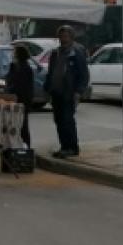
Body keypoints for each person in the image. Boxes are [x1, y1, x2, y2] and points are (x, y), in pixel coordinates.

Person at [43, 26, 88, 158]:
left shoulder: (76, 52)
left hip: (69, 93)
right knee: (58, 120)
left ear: (71, 37)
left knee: (67, 120)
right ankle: (64, 146)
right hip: (56, 92)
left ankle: (72, 147)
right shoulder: (55, 53)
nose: (63, 38)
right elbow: (51, 72)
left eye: (66, 36)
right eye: (61, 36)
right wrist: (47, 88)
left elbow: (84, 74)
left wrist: (79, 91)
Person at [6, 44, 35, 147]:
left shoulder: (25, 68)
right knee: (17, 125)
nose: (13, 54)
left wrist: (11, 90)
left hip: (22, 100)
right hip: (18, 99)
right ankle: (18, 145)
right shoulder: (15, 66)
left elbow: (20, 85)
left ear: (19, 54)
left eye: (14, 52)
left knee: (23, 125)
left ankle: (26, 146)